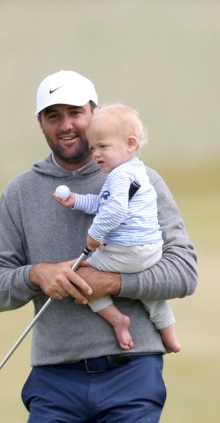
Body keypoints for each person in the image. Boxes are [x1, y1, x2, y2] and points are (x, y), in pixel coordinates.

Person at [0, 70, 197, 423]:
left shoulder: (142, 179)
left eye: (76, 113)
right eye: (52, 115)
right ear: (40, 123)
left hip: (130, 375)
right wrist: (35, 274)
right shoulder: (20, 193)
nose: (66, 125)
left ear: (94, 113)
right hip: (54, 381)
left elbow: (184, 272)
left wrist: (111, 280)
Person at [52, 103, 182, 353]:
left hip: (126, 251)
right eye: (92, 148)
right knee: (153, 297)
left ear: (130, 144)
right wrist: (76, 200)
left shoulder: (119, 176)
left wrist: (93, 236)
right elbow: (104, 203)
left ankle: (117, 320)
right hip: (150, 251)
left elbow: (113, 211)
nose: (96, 154)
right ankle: (170, 336)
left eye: (103, 146)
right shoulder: (137, 171)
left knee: (79, 276)